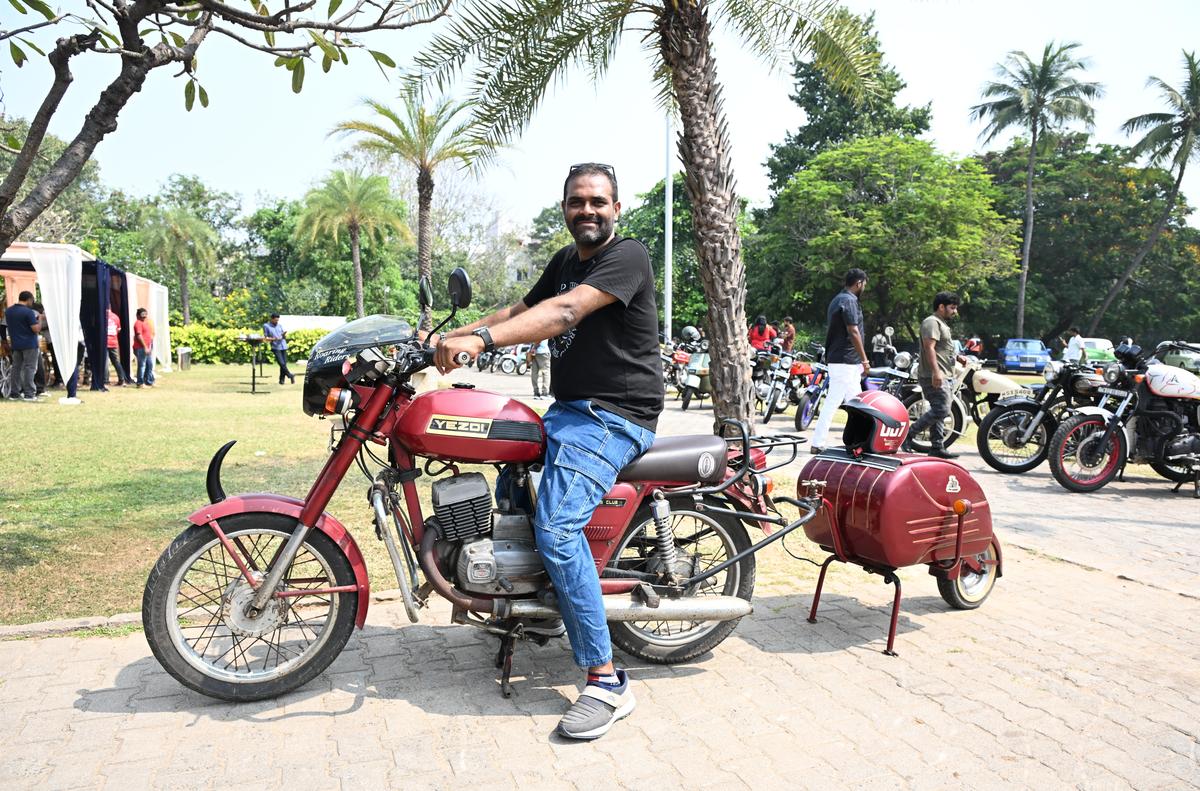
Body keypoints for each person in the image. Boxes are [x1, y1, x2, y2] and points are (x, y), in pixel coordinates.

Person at [433, 162, 661, 741]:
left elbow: (561, 314)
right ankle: (521, 599)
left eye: (597, 201)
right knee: (503, 469)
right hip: (569, 410)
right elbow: (520, 310)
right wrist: (444, 338)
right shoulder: (565, 261)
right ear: (564, 207)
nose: (587, 210)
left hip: (614, 415)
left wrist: (477, 343)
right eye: (576, 202)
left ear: (616, 207)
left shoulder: (627, 257)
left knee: (559, 529)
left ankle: (607, 681)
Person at [809, 269, 871, 453]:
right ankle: (820, 443)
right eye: (864, 284)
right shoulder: (849, 301)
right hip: (846, 360)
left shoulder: (838, 299)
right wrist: (865, 360)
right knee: (842, 403)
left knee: (857, 403)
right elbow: (853, 331)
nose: (864, 287)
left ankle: (859, 441)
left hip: (842, 360)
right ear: (859, 283)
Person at [903, 292, 965, 459]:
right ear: (941, 306)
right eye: (952, 308)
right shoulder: (931, 322)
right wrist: (936, 372)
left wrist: (958, 357)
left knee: (938, 409)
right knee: (942, 409)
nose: (955, 311)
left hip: (944, 374)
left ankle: (937, 446)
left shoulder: (941, 323)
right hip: (933, 375)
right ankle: (908, 434)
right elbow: (929, 348)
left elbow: (942, 348)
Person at [4, 291, 42, 401]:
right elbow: (35, 329)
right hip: (30, 344)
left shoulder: (9, 311)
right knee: (30, 368)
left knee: (16, 368)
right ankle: (29, 394)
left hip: (16, 344)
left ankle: (14, 393)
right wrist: (40, 320)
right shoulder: (28, 312)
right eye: (32, 300)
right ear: (29, 299)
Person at [263, 313, 295, 384]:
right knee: (281, 363)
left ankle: (281, 381)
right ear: (271, 319)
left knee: (284, 364)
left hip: (283, 346)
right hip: (275, 347)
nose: (277, 322)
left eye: (278, 320)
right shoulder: (266, 326)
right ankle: (290, 375)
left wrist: (283, 335)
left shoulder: (280, 325)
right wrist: (275, 338)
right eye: (275, 320)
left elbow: (282, 336)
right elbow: (266, 338)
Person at [105, 306, 133, 387]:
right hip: (114, 342)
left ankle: (105, 381)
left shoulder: (103, 316)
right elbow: (118, 329)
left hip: (105, 343)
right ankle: (122, 379)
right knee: (117, 362)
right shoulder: (116, 317)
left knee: (105, 363)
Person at [133, 308, 156, 387]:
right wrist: (145, 347)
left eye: (145, 315)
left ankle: (149, 381)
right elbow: (139, 336)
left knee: (149, 364)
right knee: (142, 365)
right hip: (141, 347)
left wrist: (148, 346)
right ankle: (140, 383)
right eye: (142, 315)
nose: (144, 317)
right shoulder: (138, 323)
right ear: (138, 315)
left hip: (147, 347)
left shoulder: (145, 322)